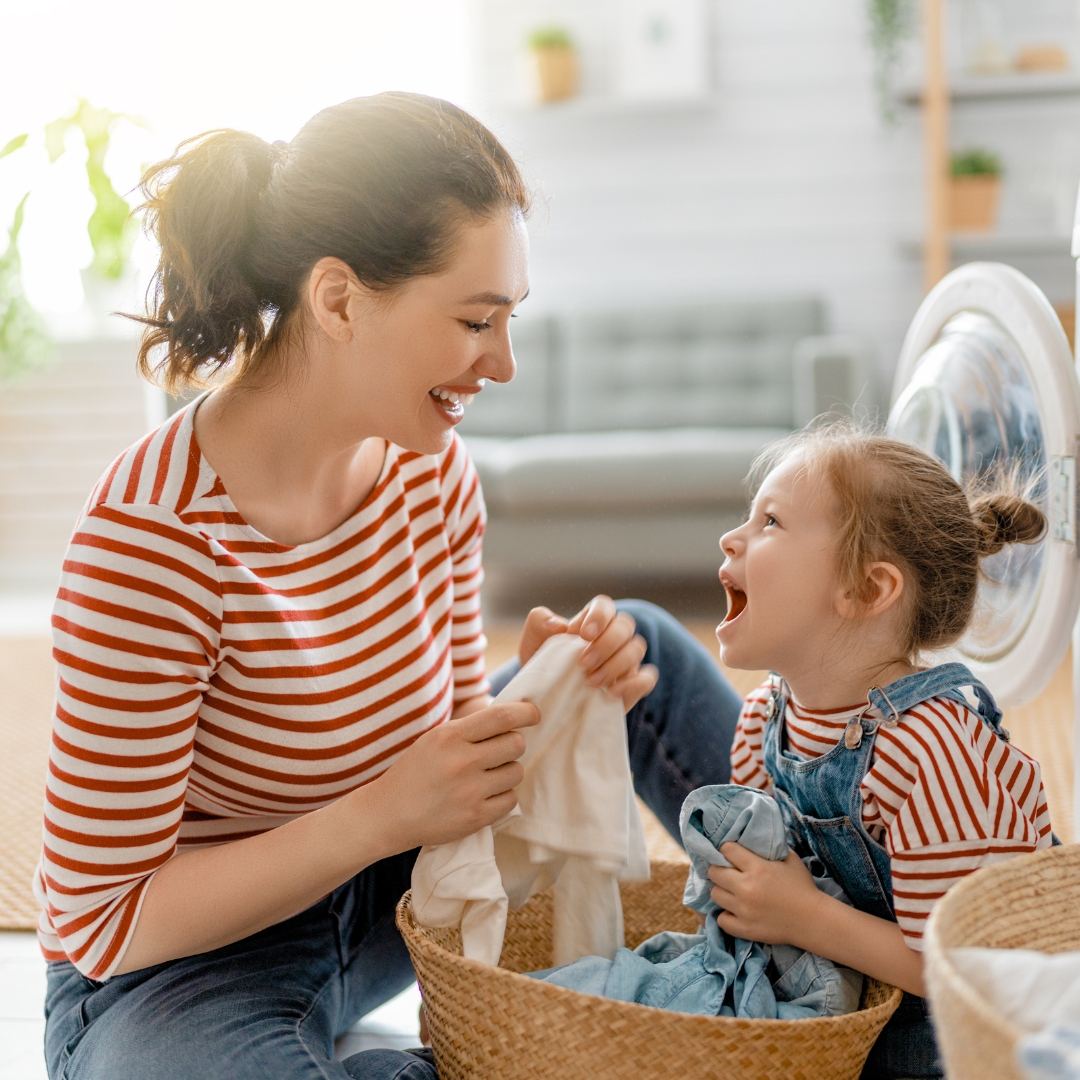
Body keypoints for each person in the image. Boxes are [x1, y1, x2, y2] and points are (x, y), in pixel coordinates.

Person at [38, 93, 744, 1080]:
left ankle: (874, 941)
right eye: (475, 320)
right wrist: (377, 818)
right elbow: (103, 920)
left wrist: (542, 697)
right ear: (337, 302)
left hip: (383, 897)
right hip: (183, 974)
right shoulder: (156, 541)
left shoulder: (431, 473)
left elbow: (443, 766)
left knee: (634, 646)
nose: (501, 363)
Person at [709, 424, 1053, 1079]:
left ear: (868, 591)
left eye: (771, 522)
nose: (732, 538)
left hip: (974, 1006)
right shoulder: (763, 717)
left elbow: (974, 971)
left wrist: (804, 916)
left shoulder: (929, 753)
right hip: (857, 977)